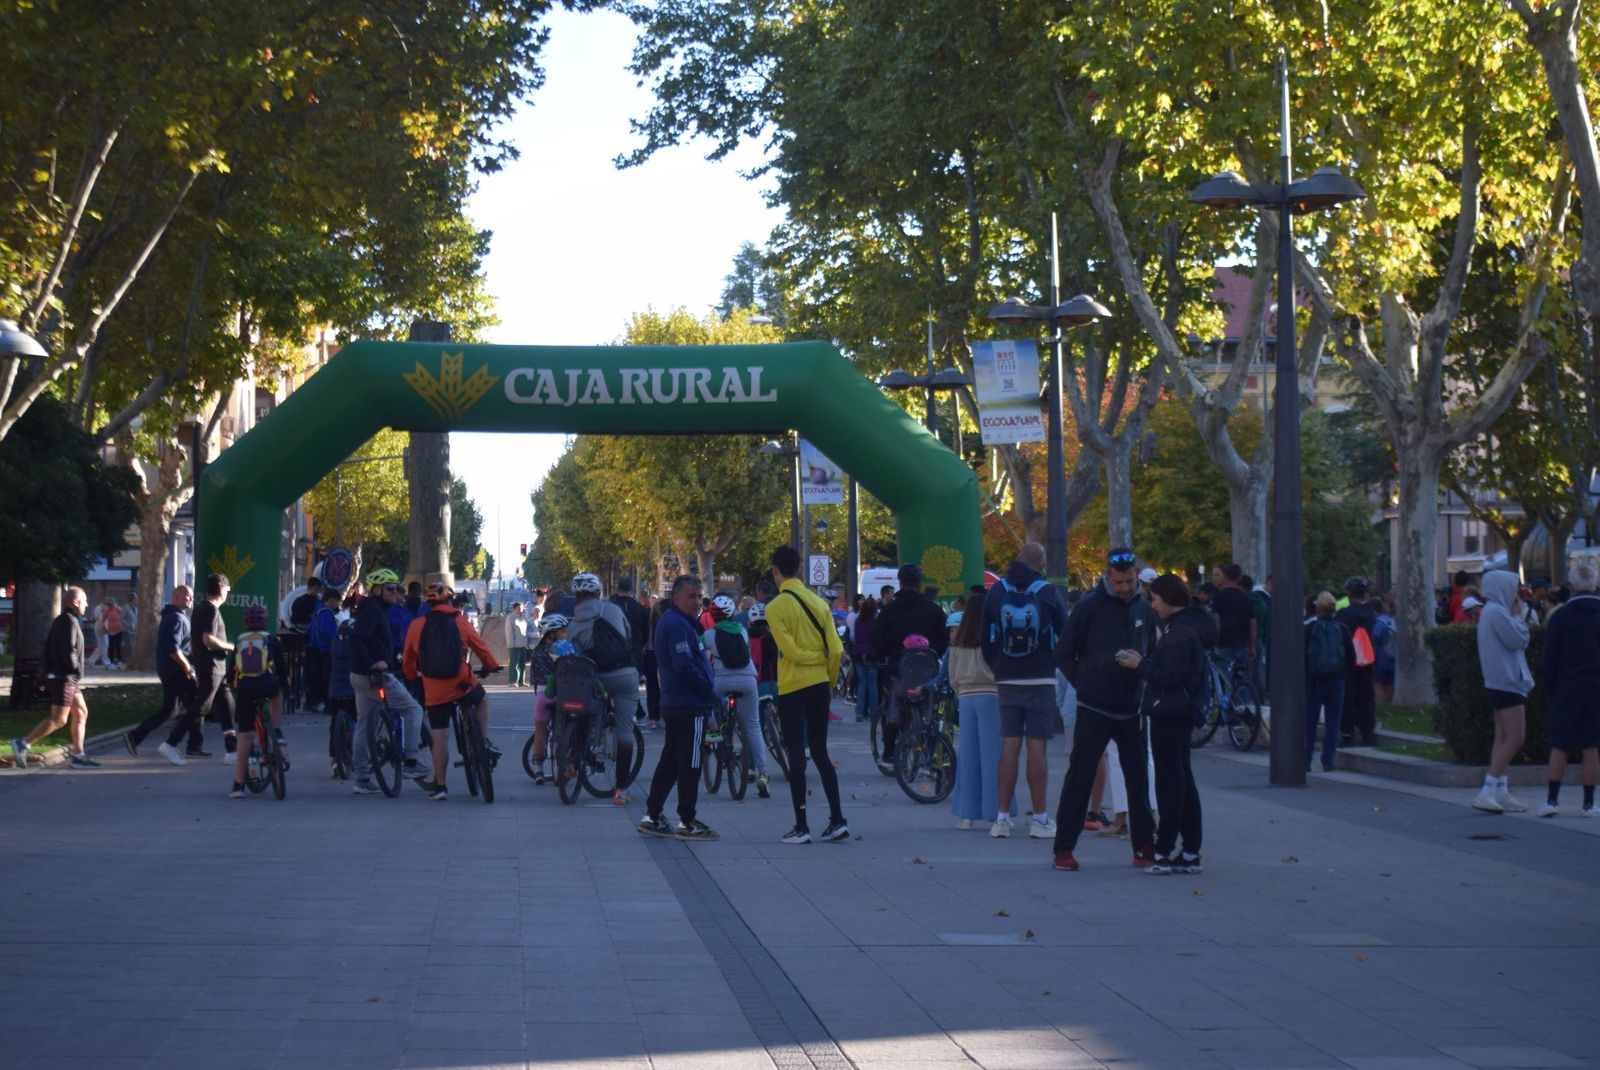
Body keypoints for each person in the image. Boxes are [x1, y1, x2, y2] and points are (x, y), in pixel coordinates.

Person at [1050, 549, 1156, 872]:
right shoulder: (1089, 607)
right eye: (1120, 581)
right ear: (1108, 575)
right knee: (1080, 776)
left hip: (1131, 706)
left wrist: (1142, 674)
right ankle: (1064, 848)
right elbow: (1064, 652)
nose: (1125, 587)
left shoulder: (1143, 607)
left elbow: (1152, 648)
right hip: (1094, 704)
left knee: (1137, 779)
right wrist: (1085, 683)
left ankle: (1144, 845)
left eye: (1130, 580)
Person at [1115, 574, 1205, 874]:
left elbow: (1169, 677)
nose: (1152, 605)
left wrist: (1139, 665)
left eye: (1154, 599)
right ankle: (1190, 851)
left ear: (1166, 600)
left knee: (1171, 785)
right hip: (1179, 713)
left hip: (1169, 714)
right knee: (1184, 782)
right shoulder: (1184, 631)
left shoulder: (1177, 635)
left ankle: (1164, 850)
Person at [980, 541, 1070, 840]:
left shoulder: (997, 591)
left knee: (1009, 746)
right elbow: (1065, 634)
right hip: (1041, 678)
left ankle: (1002, 819)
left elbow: (985, 637)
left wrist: (1000, 667)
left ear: (1018, 559)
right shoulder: (1047, 592)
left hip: (1007, 679)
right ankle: (1040, 818)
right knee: (1037, 747)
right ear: (1041, 564)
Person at [766, 545, 849, 844]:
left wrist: (810, 657)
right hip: (819, 685)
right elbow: (836, 650)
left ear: (776, 571)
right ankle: (837, 819)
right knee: (821, 752)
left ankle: (801, 825)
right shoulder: (820, 603)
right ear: (800, 569)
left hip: (792, 687)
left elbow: (789, 651)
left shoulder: (774, 608)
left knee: (796, 756)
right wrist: (828, 679)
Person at [403, 582, 501, 802]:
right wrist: (491, 665)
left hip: (434, 688)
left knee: (440, 737)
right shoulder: (460, 621)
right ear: (450, 601)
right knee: (483, 700)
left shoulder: (417, 625)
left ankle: (440, 786)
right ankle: (482, 743)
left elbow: (408, 657)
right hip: (461, 683)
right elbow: (480, 647)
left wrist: (411, 677)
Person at [639, 575, 720, 840]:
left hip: (678, 702)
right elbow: (684, 664)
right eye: (691, 596)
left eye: (699, 596)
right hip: (688, 703)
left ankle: (653, 814)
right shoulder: (677, 625)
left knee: (672, 762)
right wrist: (706, 688)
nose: (697, 602)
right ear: (676, 598)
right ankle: (687, 820)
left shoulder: (680, 623)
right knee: (689, 763)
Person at [348, 569, 431, 794]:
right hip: (373, 677)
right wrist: (373, 664)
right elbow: (357, 640)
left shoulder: (375, 608)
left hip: (360, 677)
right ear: (377, 589)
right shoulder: (372, 610)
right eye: (390, 588)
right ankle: (412, 762)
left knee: (366, 725)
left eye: (397, 588)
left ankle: (362, 779)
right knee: (413, 710)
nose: (395, 592)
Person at [151, 573, 236, 765]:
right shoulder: (211, 610)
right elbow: (208, 639)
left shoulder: (200, 609)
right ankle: (171, 744)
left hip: (216, 669)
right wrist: (231, 647)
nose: (228, 594)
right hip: (212, 666)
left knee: (227, 706)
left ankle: (232, 751)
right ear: (221, 590)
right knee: (200, 708)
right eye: (228, 590)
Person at [1537, 560, 1600, 817]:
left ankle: (1552, 800)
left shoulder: (1560, 616)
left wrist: (1550, 687)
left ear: (1572, 587)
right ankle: (1589, 803)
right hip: (1596, 688)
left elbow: (1549, 657)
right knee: (1591, 746)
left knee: (1560, 744)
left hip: (1566, 687)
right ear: (1595, 585)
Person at [872, 563, 948, 773]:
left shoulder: (889, 610)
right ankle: (928, 752)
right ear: (919, 584)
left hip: (898, 668)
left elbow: (876, 638)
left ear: (900, 583)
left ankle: (888, 753)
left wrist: (888, 654)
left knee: (892, 708)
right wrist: (934, 653)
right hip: (927, 671)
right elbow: (944, 638)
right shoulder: (933, 609)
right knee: (928, 711)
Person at [11, 586, 98, 768]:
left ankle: (79, 755)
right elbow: (68, 651)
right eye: (84, 601)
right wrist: (75, 670)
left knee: (81, 712)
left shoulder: (69, 620)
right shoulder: (67, 622)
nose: (87, 605)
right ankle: (23, 744)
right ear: (75, 603)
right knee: (59, 719)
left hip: (67, 677)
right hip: (63, 677)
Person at [1471, 570, 1535, 813]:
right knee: (1516, 738)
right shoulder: (1497, 612)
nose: (1516, 593)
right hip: (1507, 682)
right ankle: (1487, 790)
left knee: (1502, 738)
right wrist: (1518, 617)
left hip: (1499, 682)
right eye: (1513, 587)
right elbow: (1518, 639)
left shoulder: (1491, 611)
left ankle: (1500, 790)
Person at [950, 589, 1009, 829]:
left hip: (965, 697)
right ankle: (997, 810)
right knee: (994, 755)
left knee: (968, 756)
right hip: (991, 695)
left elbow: (952, 676)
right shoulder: (993, 638)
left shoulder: (957, 642)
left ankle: (967, 814)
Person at [702, 594, 770, 798]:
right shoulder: (743, 631)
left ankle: (713, 728)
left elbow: (697, 656)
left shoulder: (708, 635)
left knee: (704, 699)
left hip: (721, 681)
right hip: (748, 680)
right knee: (753, 726)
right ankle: (763, 773)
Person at [125, 586, 199, 756]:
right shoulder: (176, 618)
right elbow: (173, 648)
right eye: (187, 596)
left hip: (169, 670)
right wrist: (188, 667)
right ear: (176, 597)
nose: (190, 599)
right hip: (177, 671)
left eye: (192, 596)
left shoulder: (175, 616)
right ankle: (192, 746)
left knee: (170, 710)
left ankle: (135, 737)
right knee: (197, 706)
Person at [566, 572, 642, 730]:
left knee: (589, 720)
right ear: (598, 593)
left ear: (577, 597)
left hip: (594, 678)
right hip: (625, 673)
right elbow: (628, 636)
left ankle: (587, 744)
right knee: (625, 730)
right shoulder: (614, 610)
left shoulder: (573, 624)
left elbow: (573, 653)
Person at [228, 604, 286, 799]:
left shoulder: (240, 640)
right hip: (266, 684)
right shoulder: (271, 640)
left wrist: (235, 687)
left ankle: (238, 785)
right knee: (277, 693)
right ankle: (276, 731)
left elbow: (231, 674)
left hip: (245, 689)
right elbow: (282, 670)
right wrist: (284, 687)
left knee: (244, 737)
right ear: (265, 621)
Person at [1305, 592, 1351, 772]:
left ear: (1317, 609)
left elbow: (1302, 656)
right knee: (1333, 721)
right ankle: (1328, 760)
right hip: (1336, 680)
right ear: (1334, 610)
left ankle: (1306, 759)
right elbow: (1351, 656)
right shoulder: (1342, 628)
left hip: (1314, 680)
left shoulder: (1309, 629)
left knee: (1310, 721)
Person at [524, 614, 572, 784]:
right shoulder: (561, 648)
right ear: (552, 633)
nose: (565, 634)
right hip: (560, 693)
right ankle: (566, 765)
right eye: (562, 631)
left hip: (542, 696)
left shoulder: (537, 651)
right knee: (566, 728)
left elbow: (534, 679)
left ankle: (538, 770)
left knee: (541, 732)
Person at [1335, 577, 1379, 747]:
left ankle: (1348, 732)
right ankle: (1368, 731)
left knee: (1348, 696)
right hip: (1367, 660)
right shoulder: (1370, 614)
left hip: (1348, 660)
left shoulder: (1344, 614)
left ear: (1350, 593)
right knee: (1367, 696)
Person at [612, 576, 652, 723]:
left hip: (614, 650)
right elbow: (646, 629)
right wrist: (642, 645)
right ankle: (636, 709)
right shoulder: (639, 608)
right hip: (635, 649)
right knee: (632, 681)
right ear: (631, 589)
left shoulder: (612, 607)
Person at [1210, 564, 1254, 685]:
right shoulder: (1245, 597)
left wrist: (1215, 643)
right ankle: (1244, 702)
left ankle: (1226, 702)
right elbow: (1252, 623)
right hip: (1242, 645)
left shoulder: (1219, 597)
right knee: (1242, 680)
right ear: (1239, 578)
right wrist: (1252, 645)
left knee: (1224, 681)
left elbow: (1216, 621)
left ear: (1226, 576)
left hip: (1224, 645)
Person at [306, 588, 342, 712]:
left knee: (316, 677)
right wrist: (337, 639)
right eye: (337, 601)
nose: (337, 604)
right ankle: (324, 702)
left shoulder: (318, 609)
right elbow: (327, 632)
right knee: (324, 677)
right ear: (331, 599)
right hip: (324, 648)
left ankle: (312, 702)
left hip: (315, 647)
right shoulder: (326, 613)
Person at [852, 597, 881, 724]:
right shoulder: (876, 622)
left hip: (858, 653)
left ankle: (859, 712)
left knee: (862, 684)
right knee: (873, 685)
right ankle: (873, 713)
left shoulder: (858, 621)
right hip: (871, 654)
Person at [504, 602, 530, 687]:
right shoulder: (510, 618)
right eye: (519, 608)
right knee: (514, 664)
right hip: (514, 645)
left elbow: (526, 631)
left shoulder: (524, 618)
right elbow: (509, 633)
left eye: (522, 608)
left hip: (523, 644)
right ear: (514, 609)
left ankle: (521, 681)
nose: (520, 610)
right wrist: (510, 645)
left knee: (522, 664)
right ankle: (512, 681)